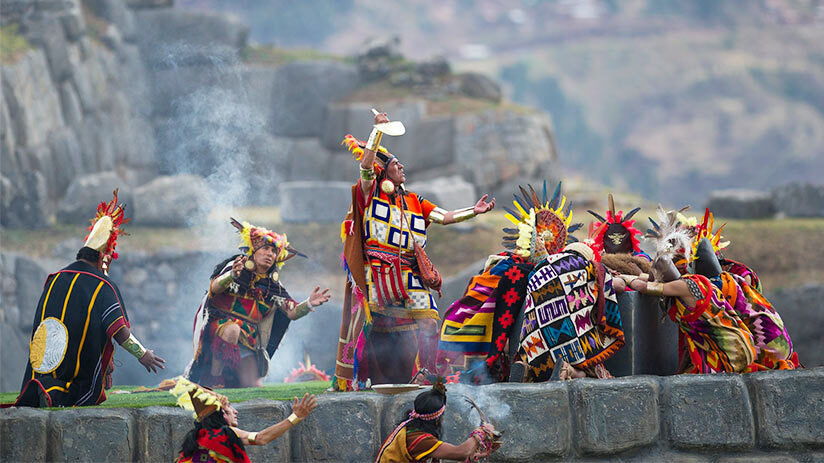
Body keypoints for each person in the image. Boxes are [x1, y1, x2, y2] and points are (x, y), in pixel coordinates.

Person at [333, 110, 495, 390]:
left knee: (429, 323)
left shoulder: (415, 201)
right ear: (385, 171)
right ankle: (360, 378)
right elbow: (366, 166)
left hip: (410, 275)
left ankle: (427, 373)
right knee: (372, 328)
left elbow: (444, 216)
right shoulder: (370, 192)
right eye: (397, 164)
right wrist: (378, 131)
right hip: (378, 276)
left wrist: (474, 211)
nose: (402, 167)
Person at [14, 190, 165, 407]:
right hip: (76, 383)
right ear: (104, 257)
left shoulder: (55, 278)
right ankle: (62, 392)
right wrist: (143, 354)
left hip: (41, 374)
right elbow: (119, 331)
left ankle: (45, 387)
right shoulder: (103, 286)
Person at [185, 219, 331, 388]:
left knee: (254, 387)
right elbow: (214, 288)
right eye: (266, 248)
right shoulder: (237, 267)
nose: (270, 254)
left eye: (274, 251)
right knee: (232, 329)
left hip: (249, 339)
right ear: (254, 251)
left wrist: (309, 304)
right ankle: (214, 377)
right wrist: (232, 275)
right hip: (219, 330)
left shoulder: (274, 286)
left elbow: (291, 312)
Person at [172, 378, 317, 463]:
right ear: (219, 414)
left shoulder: (196, 437)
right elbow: (261, 438)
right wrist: (295, 417)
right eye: (228, 408)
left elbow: (182, 382)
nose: (235, 411)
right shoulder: (226, 434)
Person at [376, 380, 498, 463]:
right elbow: (462, 452)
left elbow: (463, 453)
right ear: (437, 419)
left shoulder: (412, 428)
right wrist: (482, 432)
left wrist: (474, 455)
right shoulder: (419, 440)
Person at [587, 193, 651, 276]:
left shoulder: (639, 256)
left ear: (631, 251)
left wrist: (640, 261)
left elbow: (645, 258)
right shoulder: (598, 258)